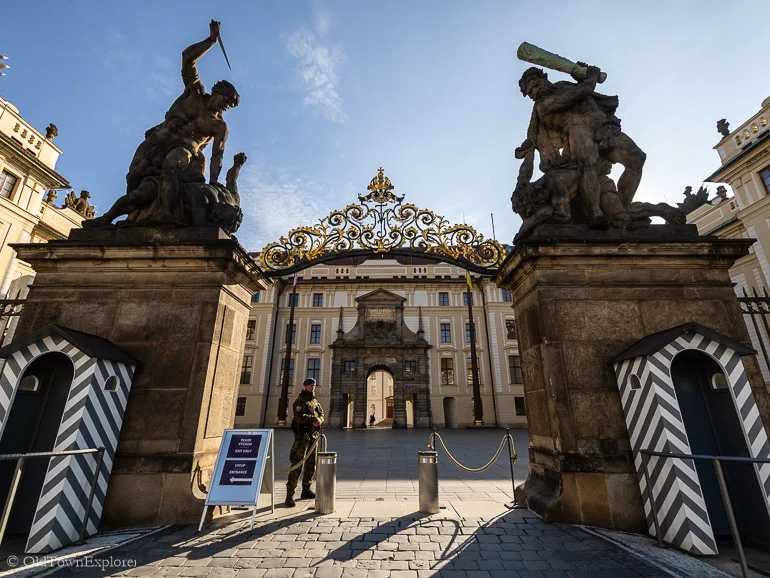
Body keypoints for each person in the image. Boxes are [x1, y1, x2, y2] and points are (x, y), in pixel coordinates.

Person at [286, 378, 324, 507]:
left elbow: (321, 414)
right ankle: (289, 494)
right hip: (302, 437)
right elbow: (299, 417)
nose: (313, 387)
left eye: (314, 385)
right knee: (297, 465)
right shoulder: (300, 401)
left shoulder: (315, 401)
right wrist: (314, 419)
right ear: (305, 386)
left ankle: (306, 490)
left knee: (311, 465)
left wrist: (320, 420)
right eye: (310, 385)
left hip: (313, 436)